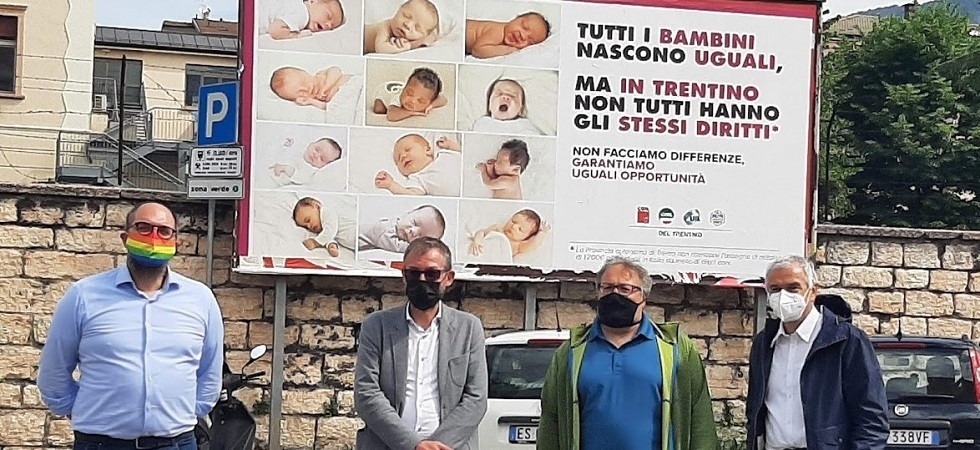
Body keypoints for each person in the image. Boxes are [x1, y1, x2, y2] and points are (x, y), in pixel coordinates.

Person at [38, 202, 224, 450]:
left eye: (164, 231)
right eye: (143, 228)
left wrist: (187, 413)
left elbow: (211, 371)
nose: (154, 238)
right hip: (101, 444)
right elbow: (54, 370)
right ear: (125, 238)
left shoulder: (200, 299)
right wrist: (83, 412)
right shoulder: (83, 296)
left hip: (176, 443)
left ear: (176, 242)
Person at [538, 257, 718, 450]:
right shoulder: (572, 352)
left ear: (644, 297)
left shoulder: (676, 350)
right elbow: (551, 420)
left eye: (625, 289)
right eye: (607, 288)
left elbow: (700, 420)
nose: (615, 295)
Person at [354, 237, 489, 450]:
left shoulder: (469, 328)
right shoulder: (377, 326)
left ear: (448, 278)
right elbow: (366, 392)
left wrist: (435, 446)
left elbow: (476, 398)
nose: (422, 280)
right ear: (404, 276)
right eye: (414, 273)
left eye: (432, 274)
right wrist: (413, 445)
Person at [746, 255, 888, 450]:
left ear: (812, 291)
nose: (783, 296)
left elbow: (871, 420)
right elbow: (755, 411)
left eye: (793, 288)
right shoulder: (764, 344)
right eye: (775, 289)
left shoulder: (845, 340)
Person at [375, 134, 461, 197]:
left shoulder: (444, 153)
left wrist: (450, 145)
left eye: (407, 150)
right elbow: (410, 195)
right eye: (398, 159)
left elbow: (464, 153)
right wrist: (391, 185)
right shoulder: (417, 178)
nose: (403, 156)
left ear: (427, 150)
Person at [358, 205, 447, 253]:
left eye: (420, 236)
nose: (413, 231)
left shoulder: (395, 226)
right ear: (408, 213)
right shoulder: (384, 230)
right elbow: (398, 247)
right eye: (414, 222)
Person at [364, 0, 440, 54]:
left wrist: (421, 41)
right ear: (398, 10)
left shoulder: (408, 36)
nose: (408, 25)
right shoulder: (385, 27)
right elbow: (380, 49)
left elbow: (432, 36)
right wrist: (409, 46)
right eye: (406, 16)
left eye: (417, 28)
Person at [373, 68, 448, 122]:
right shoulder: (397, 97)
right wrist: (410, 112)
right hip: (384, 91)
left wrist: (431, 106)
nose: (412, 101)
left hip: (398, 86)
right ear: (404, 88)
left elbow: (443, 99)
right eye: (409, 93)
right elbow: (391, 115)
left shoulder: (428, 98)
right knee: (379, 110)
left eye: (421, 100)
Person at [292, 196, 357, 257]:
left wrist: (315, 242)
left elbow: (331, 230)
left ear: (317, 206)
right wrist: (331, 245)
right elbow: (330, 237)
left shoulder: (326, 212)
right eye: (306, 227)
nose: (309, 226)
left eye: (308, 220)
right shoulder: (323, 231)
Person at [466, 12, 550, 58]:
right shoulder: (498, 31)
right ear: (515, 19)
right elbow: (477, 50)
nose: (523, 36)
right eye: (524, 26)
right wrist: (507, 50)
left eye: (530, 41)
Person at [270, 137, 343, 186]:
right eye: (317, 149)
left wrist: (285, 168)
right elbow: (283, 154)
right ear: (311, 144)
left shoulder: (310, 169)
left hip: (275, 178)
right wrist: (286, 146)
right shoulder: (299, 151)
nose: (316, 155)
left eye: (322, 159)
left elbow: (301, 178)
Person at [270, 66, 351, 109]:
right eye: (301, 92)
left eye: (304, 82)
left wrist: (327, 86)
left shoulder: (320, 75)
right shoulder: (314, 98)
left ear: (306, 73)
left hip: (352, 84)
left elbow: (336, 70)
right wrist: (311, 101)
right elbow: (328, 108)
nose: (306, 89)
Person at [259, 0, 345, 39]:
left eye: (332, 27)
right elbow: (274, 30)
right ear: (312, 1)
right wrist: (296, 35)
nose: (328, 25)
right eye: (328, 16)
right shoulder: (303, 16)